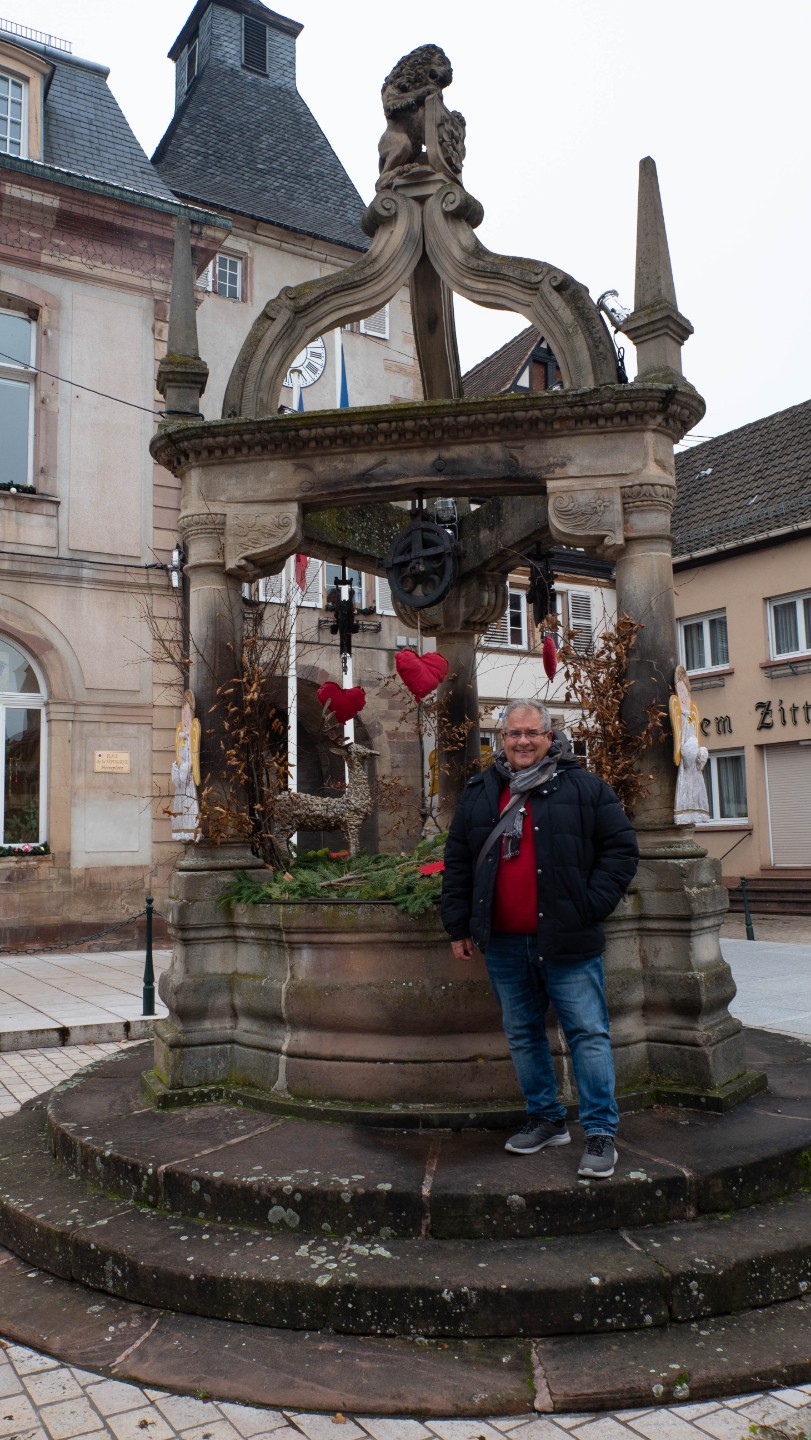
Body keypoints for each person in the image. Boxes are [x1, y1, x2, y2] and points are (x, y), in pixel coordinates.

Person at [441, 699, 639, 1179]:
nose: (523, 741)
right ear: (502, 738)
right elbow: (459, 860)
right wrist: (458, 925)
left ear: (550, 737)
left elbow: (621, 850)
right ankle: (547, 1119)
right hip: (504, 940)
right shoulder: (482, 791)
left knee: (588, 1033)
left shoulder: (585, 787)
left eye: (532, 733)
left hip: (567, 936)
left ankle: (600, 1132)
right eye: (514, 734)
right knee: (523, 1033)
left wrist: (588, 906)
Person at [669, 665, 710, 825]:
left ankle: (696, 810)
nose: (684, 696)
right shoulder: (678, 711)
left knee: (695, 784)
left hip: (692, 755)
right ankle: (684, 813)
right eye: (681, 692)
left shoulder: (692, 715)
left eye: (686, 692)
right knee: (685, 784)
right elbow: (681, 734)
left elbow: (694, 732)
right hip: (686, 753)